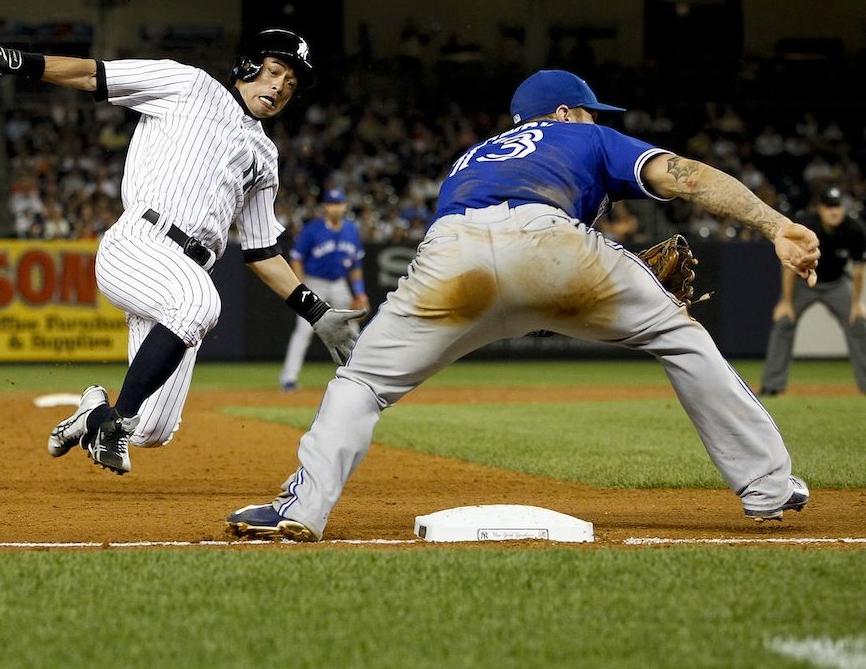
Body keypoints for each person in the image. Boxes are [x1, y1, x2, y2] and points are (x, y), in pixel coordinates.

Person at [225, 69, 821, 542]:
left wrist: (525, 301)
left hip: (451, 252)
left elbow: (497, 264)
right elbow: (681, 175)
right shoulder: (581, 133)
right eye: (589, 110)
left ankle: (302, 508)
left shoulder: (473, 156)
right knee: (680, 335)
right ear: (563, 112)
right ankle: (767, 487)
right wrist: (773, 225)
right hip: (550, 243)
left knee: (361, 383)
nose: (594, 119)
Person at [0, 29, 365, 475]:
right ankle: (114, 425)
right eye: (275, 71)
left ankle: (96, 414)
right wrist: (14, 60)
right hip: (140, 242)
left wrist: (317, 312)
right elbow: (94, 75)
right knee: (200, 302)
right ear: (247, 67)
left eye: (291, 83)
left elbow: (262, 252)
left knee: (154, 430)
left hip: (183, 272)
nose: (280, 86)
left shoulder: (264, 156)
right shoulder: (188, 85)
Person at [760, 186, 866, 394]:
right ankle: (772, 386)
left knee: (858, 322)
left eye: (837, 206)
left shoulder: (854, 229)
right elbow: (790, 267)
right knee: (783, 321)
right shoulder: (808, 225)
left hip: (836, 284)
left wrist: (856, 304)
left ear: (843, 208)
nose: (834, 211)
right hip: (803, 281)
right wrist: (786, 302)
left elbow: (859, 269)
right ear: (820, 209)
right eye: (829, 207)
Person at [279, 188, 370, 392]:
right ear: (325, 207)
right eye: (331, 204)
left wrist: (360, 292)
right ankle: (289, 378)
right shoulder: (312, 229)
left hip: (339, 283)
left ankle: (358, 375)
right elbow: (297, 258)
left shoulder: (351, 230)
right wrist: (299, 287)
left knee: (352, 328)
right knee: (303, 332)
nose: (336, 208)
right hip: (314, 283)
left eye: (339, 204)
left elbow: (355, 266)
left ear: (345, 206)